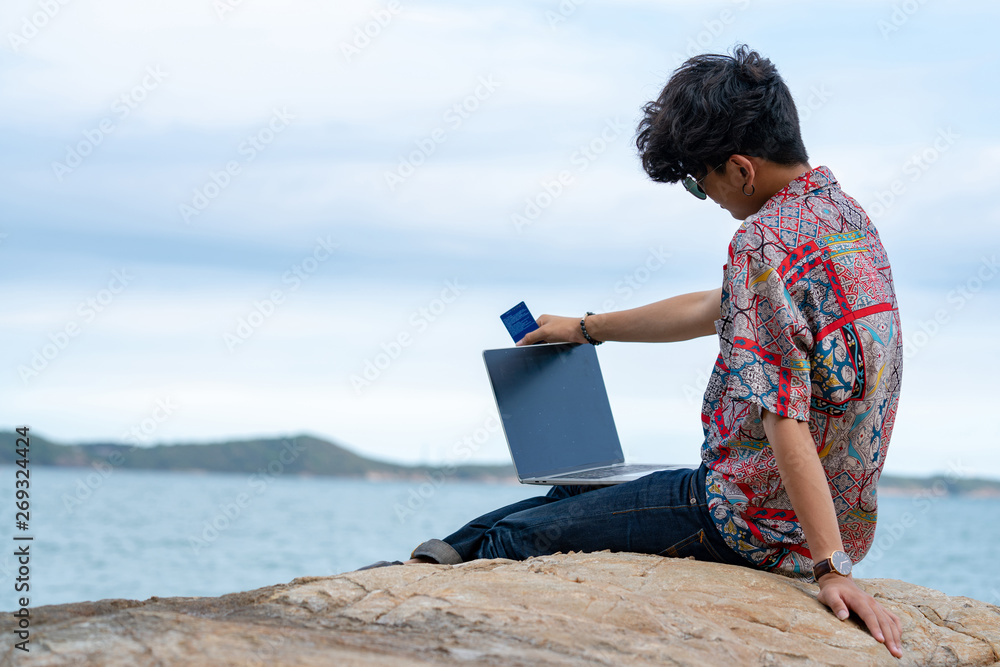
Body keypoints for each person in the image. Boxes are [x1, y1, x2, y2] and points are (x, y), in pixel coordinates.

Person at [384, 45, 905, 658]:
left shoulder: (762, 243)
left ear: (740, 169)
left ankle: (401, 604)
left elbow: (782, 419)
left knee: (517, 537)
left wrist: (831, 570)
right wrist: (584, 327)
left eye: (697, 181)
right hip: (795, 510)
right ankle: (415, 564)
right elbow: (715, 306)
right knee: (571, 494)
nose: (706, 196)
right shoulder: (843, 220)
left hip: (748, 521)